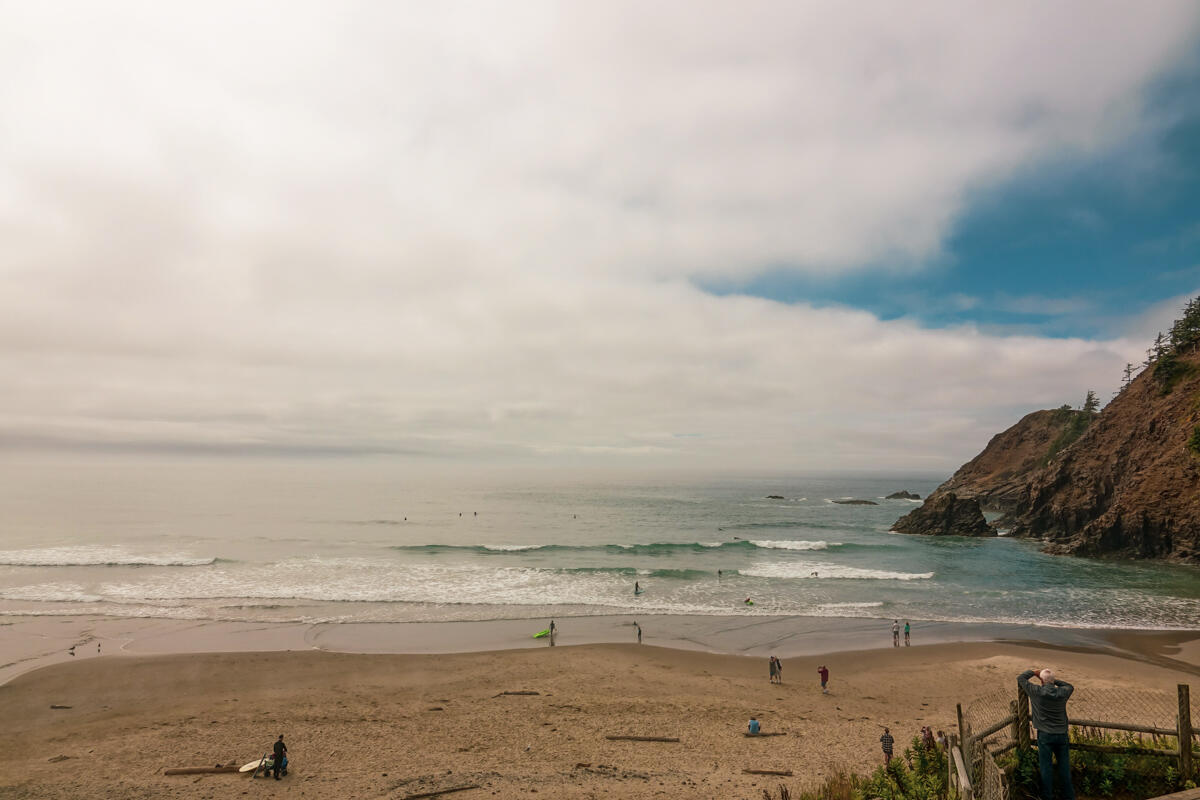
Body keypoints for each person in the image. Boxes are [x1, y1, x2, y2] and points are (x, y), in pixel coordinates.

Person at [1019, 668, 1076, 800]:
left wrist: (1033, 672)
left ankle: (1047, 796)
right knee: (1064, 768)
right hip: (1061, 734)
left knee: (1046, 767)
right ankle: (1068, 796)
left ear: (1042, 681)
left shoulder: (1037, 692)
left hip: (1045, 735)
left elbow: (1021, 679)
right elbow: (1070, 686)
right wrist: (1053, 681)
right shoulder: (1062, 693)